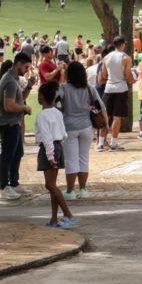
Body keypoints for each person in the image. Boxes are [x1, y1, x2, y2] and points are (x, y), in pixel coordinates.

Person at [33, 81, 76, 227]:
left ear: (41, 97)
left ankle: (67, 214)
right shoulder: (58, 112)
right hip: (58, 146)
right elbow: (63, 133)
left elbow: (46, 137)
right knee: (53, 185)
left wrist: (50, 156)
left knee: (50, 185)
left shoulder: (42, 116)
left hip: (48, 149)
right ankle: (54, 219)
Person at [0, 52, 35, 200]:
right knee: (7, 155)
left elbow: (19, 99)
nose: (27, 70)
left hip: (13, 122)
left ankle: (14, 183)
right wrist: (25, 108)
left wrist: (29, 87)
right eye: (26, 67)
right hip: (7, 123)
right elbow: (9, 106)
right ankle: (4, 187)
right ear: (18, 64)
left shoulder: (13, 79)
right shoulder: (10, 81)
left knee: (17, 153)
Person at [59, 60, 99, 200]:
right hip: (86, 126)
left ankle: (70, 191)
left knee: (71, 160)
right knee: (84, 159)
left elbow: (56, 103)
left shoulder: (63, 88)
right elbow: (100, 107)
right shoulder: (89, 89)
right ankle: (83, 189)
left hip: (69, 126)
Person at [98, 36, 133, 151]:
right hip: (121, 88)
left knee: (105, 117)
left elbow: (103, 75)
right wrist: (132, 80)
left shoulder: (107, 57)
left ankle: (101, 143)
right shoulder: (126, 58)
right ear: (122, 45)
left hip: (109, 88)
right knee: (117, 118)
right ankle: (113, 143)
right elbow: (128, 77)